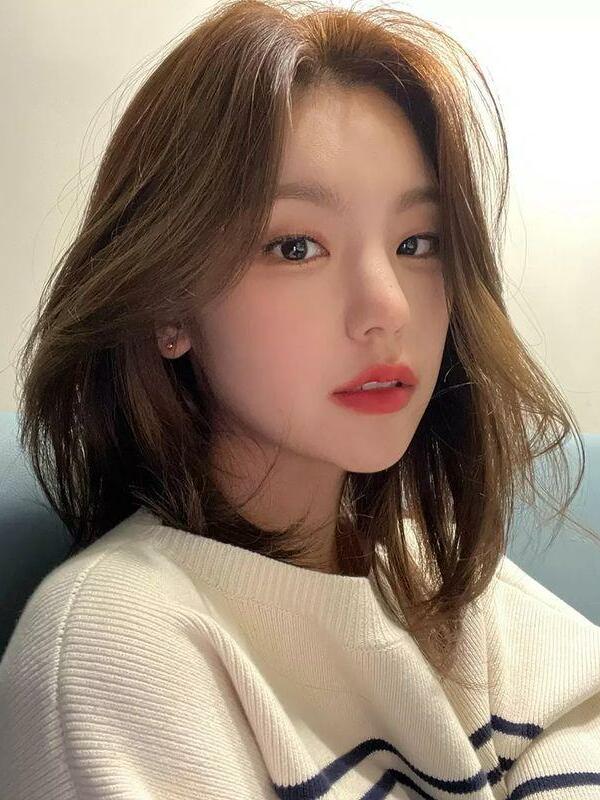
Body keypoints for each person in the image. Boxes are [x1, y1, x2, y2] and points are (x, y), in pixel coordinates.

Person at [1, 0, 599, 797]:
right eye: (295, 246)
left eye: (417, 243)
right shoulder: (122, 637)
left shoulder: (425, 567)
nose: (387, 306)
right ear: (168, 305)